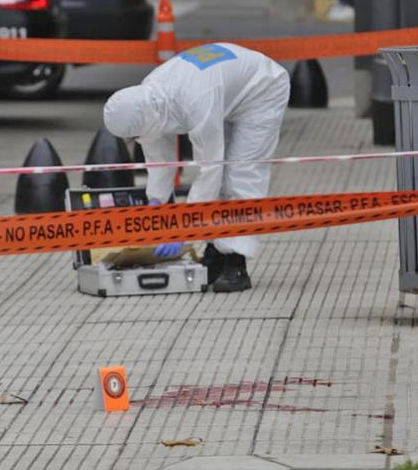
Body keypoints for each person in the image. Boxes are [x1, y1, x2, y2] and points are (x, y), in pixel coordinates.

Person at [102, 43, 290, 293]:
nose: (138, 138)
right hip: (223, 91)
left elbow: (209, 168)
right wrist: (157, 202)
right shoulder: (149, 98)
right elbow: (160, 157)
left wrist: (185, 230)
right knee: (222, 175)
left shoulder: (193, 100)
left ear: (147, 118)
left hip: (262, 88)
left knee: (239, 175)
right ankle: (215, 252)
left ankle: (235, 261)